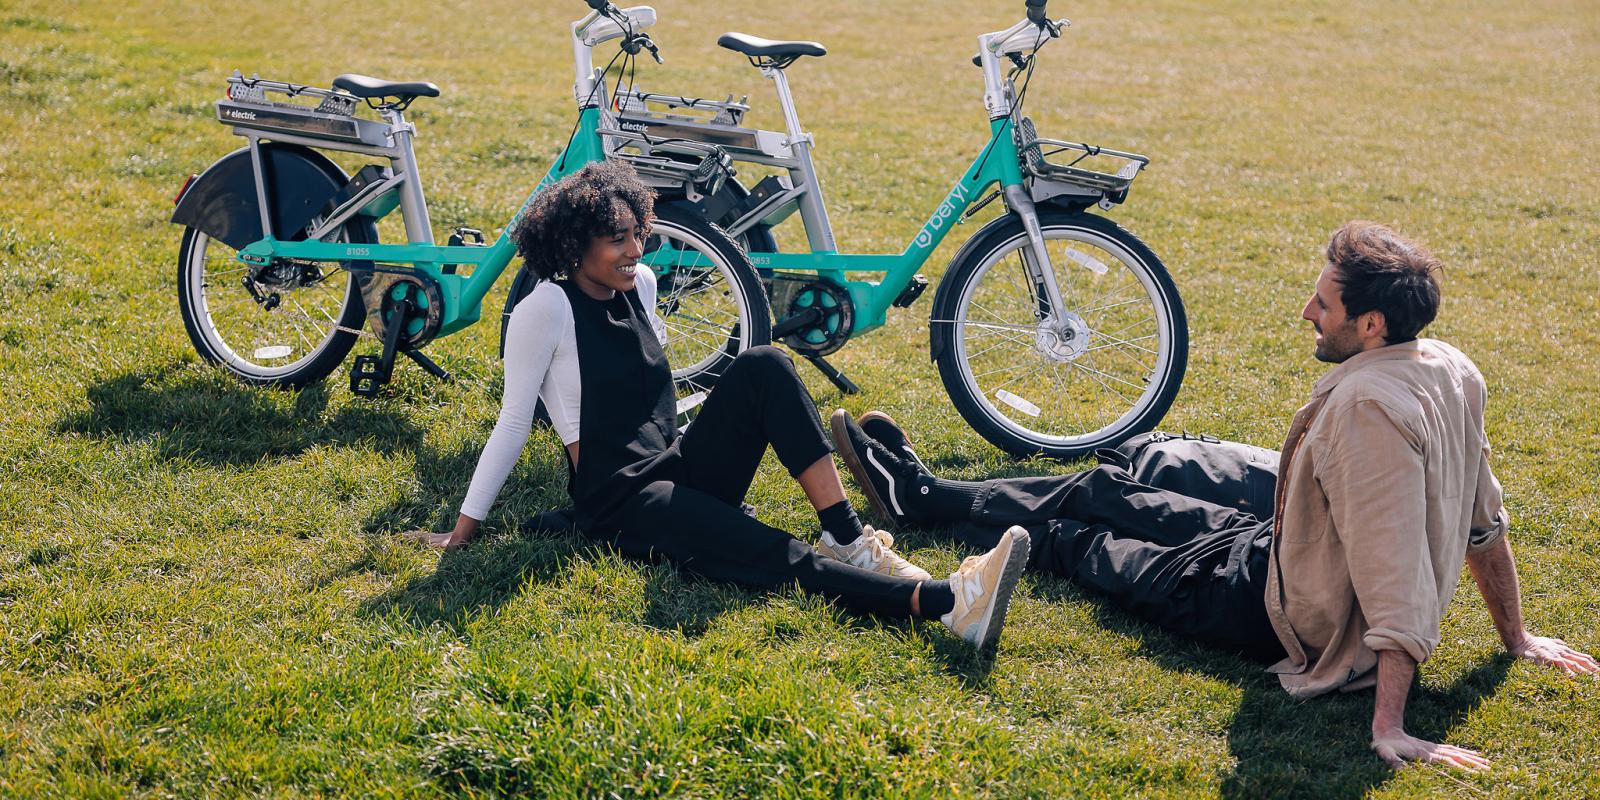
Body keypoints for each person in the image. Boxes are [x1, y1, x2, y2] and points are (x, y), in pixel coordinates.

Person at [830, 220, 1597, 767]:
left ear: (1369, 324)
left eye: (1323, 306)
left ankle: (923, 500)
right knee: (1104, 486)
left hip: (1261, 608)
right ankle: (920, 496)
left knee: (1081, 542)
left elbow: (1394, 574)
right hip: (1268, 550)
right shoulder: (1449, 367)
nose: (1306, 311)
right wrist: (1517, 639)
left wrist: (1388, 725)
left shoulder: (1371, 410)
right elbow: (1484, 521)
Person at [403, 161, 1031, 650]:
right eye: (616, 241)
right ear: (574, 246)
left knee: (764, 364)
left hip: (674, 466)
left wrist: (717, 443)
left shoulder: (642, 286)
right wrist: (463, 532)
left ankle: (850, 538)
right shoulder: (545, 308)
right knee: (768, 552)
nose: (635, 253)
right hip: (624, 502)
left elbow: (655, 395)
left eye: (638, 236)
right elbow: (513, 423)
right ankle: (948, 605)